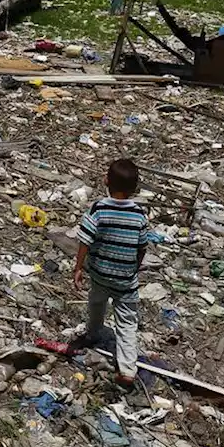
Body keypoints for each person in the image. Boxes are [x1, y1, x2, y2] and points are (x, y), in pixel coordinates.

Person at [72, 158, 148, 387]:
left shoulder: (99, 208)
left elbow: (85, 240)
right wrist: (134, 266)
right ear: (135, 188)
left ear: (106, 180)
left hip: (100, 273)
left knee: (96, 303)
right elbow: (142, 246)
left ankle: (93, 334)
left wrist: (78, 268)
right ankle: (127, 369)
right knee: (126, 322)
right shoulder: (139, 214)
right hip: (125, 278)